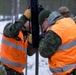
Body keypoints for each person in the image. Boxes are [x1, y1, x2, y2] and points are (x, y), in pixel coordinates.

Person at [38, 10, 76, 75]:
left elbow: (43, 52)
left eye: (42, 26)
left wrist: (42, 40)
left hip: (64, 71)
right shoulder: (69, 21)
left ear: (46, 19)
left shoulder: (55, 30)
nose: (44, 29)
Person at [0, 8, 36, 75]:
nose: (32, 26)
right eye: (31, 23)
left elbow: (29, 53)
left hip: (18, 72)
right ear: (26, 21)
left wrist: (31, 44)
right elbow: (13, 30)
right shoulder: (9, 27)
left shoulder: (27, 36)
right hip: (5, 70)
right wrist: (24, 17)